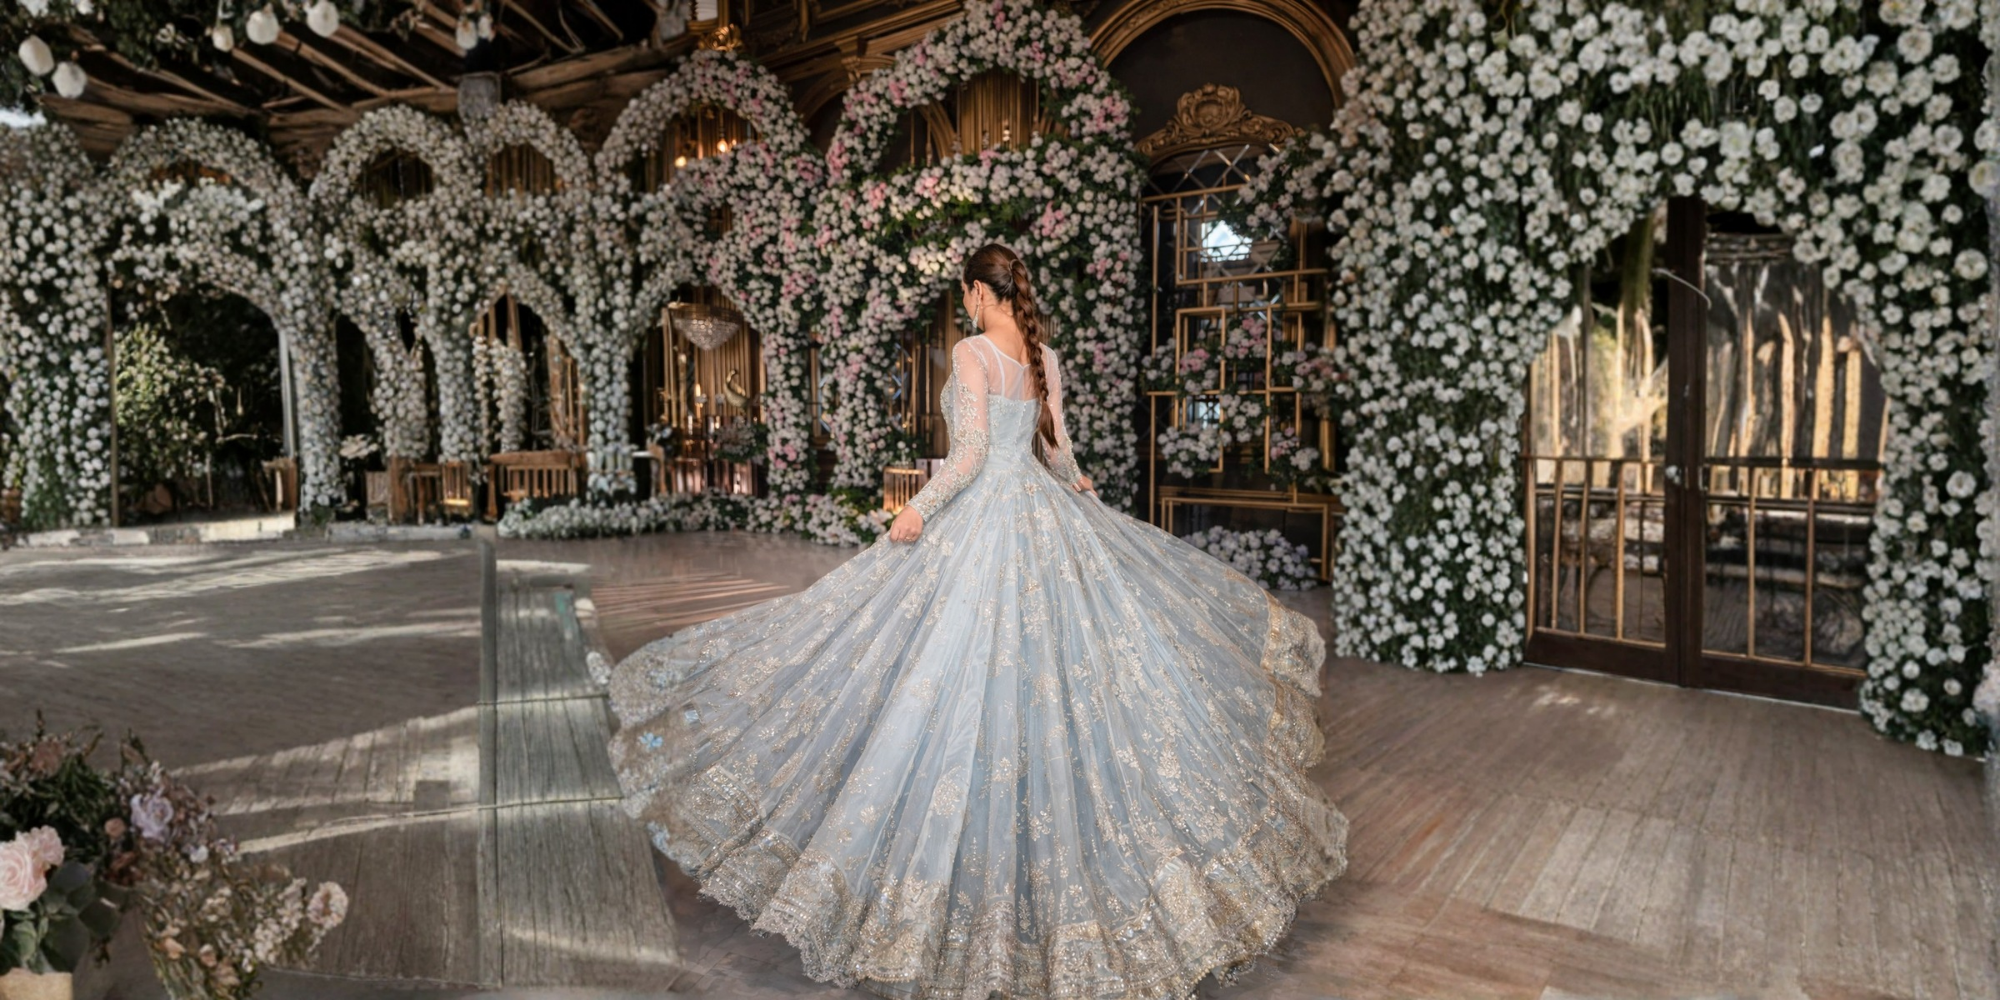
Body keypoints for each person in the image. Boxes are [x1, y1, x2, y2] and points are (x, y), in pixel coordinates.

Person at [608, 243, 1346, 999]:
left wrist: (916, 511)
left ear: (977, 292)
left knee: (945, 670)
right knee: (1058, 680)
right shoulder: (1043, 357)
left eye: (965, 294)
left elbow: (967, 459)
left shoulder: (970, 352)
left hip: (988, 523)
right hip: (1044, 520)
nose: (965, 305)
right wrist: (1083, 492)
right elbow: (1057, 451)